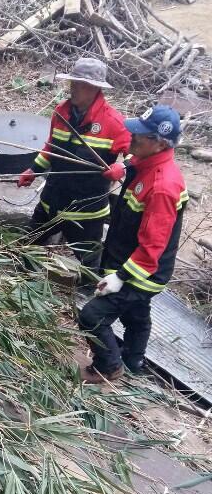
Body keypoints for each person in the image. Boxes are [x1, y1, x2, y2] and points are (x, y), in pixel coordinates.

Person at [78, 105, 188, 383]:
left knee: (92, 317)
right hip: (125, 257)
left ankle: (109, 366)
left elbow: (152, 248)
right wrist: (122, 166)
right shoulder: (148, 161)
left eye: (140, 135)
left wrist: (121, 278)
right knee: (136, 316)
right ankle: (133, 361)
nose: (132, 137)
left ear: (159, 142)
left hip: (141, 270)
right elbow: (135, 161)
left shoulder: (162, 187)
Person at [17, 58, 131, 278]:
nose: (73, 88)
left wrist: (121, 167)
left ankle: (89, 296)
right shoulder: (61, 112)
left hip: (86, 211)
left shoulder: (113, 121)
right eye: (73, 83)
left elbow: (135, 155)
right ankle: (23, 281)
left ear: (95, 88)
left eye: (79, 84)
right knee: (28, 245)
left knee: (89, 262)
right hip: (53, 200)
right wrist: (33, 170)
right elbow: (50, 147)